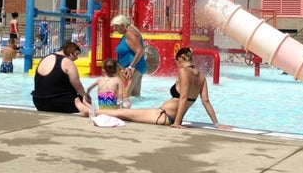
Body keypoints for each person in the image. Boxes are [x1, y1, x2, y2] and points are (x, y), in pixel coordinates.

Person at [96, 47, 231, 129]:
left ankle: (90, 111)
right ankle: (92, 111)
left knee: (123, 113)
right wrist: (216, 124)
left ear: (180, 59)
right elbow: (206, 102)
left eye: (176, 62)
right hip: (166, 115)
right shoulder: (201, 76)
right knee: (124, 113)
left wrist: (177, 122)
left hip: (164, 116)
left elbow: (183, 97)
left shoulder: (184, 71)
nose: (177, 65)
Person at [31, 41, 91, 114]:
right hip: (57, 103)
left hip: (39, 102)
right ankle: (83, 108)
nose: (76, 58)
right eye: (76, 54)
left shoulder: (45, 58)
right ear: (71, 52)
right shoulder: (67, 62)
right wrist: (85, 97)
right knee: (85, 100)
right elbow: (78, 85)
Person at [110, 14, 147, 97]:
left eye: (116, 27)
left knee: (123, 96)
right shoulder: (131, 31)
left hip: (131, 70)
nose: (115, 29)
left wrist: (131, 67)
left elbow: (139, 51)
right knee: (135, 97)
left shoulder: (130, 33)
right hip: (136, 68)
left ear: (123, 25)